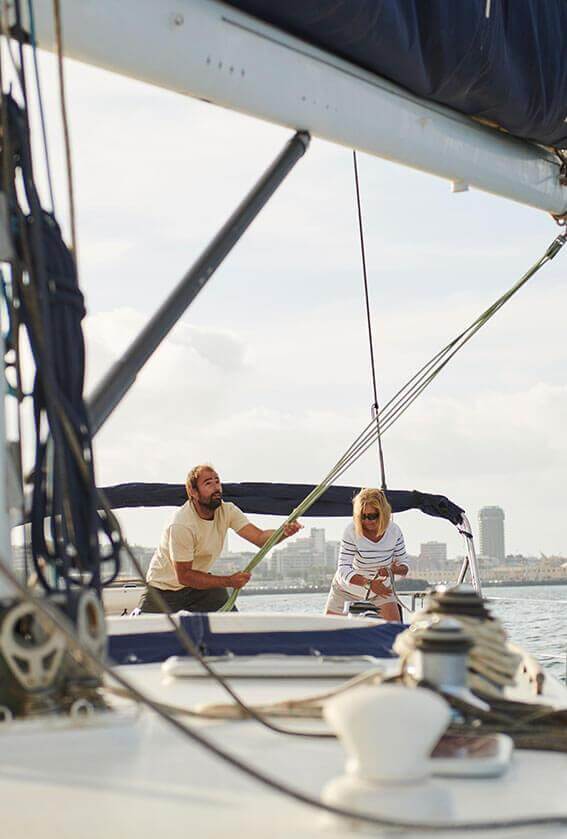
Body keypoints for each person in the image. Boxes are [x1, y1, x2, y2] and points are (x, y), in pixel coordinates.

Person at [138, 464, 301, 613]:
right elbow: (184, 576)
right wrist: (229, 581)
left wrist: (283, 533)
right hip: (163, 589)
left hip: (199, 589)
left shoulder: (227, 511)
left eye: (217, 482)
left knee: (231, 623)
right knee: (140, 638)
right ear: (193, 492)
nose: (216, 488)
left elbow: (259, 538)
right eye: (208, 483)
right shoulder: (181, 524)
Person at [325, 487, 409, 620]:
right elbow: (343, 568)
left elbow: (404, 567)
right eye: (363, 516)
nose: (367, 521)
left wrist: (392, 571)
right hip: (346, 590)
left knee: (394, 633)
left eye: (373, 516)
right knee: (327, 635)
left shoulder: (394, 531)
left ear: (383, 514)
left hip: (381, 591)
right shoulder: (351, 531)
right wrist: (369, 583)